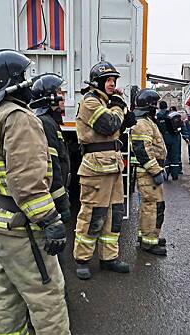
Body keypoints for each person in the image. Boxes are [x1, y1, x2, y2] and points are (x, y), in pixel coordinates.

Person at [0, 49, 73, 335]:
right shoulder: (20, 118)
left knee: (8, 292)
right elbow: (27, 182)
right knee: (46, 295)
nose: (29, 81)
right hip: (23, 228)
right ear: (13, 79)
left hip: (0, 221)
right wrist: (50, 220)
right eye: (25, 75)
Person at [73, 60, 136, 280]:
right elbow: (110, 124)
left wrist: (121, 103)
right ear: (97, 82)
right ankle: (82, 259)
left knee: (114, 213)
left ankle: (109, 258)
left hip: (113, 165)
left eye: (114, 80)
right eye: (108, 80)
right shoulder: (90, 102)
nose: (112, 83)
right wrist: (117, 104)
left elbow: (128, 121)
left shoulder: (107, 102)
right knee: (92, 214)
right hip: (96, 167)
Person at [130, 89, 167, 256]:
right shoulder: (141, 124)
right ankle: (148, 243)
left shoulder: (145, 121)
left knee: (152, 206)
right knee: (152, 207)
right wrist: (156, 171)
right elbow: (142, 150)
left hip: (149, 172)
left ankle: (148, 236)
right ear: (149, 106)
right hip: (147, 173)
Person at [30, 73, 71, 223]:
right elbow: (52, 167)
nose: (63, 96)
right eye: (59, 92)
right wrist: (62, 204)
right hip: (51, 200)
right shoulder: (46, 123)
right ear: (49, 97)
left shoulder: (51, 122)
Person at [157, 101, 182, 180]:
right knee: (175, 156)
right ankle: (175, 175)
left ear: (159, 107)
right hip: (174, 138)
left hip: (164, 138)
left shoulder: (158, 116)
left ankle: (166, 175)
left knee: (166, 156)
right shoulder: (171, 115)